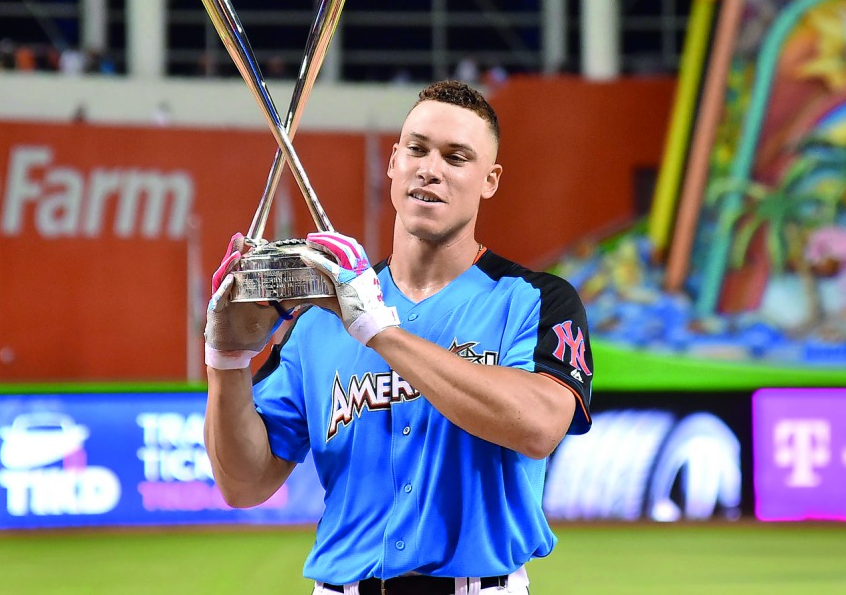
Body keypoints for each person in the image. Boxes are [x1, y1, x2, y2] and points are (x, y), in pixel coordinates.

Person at [203, 79, 593, 595]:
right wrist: (226, 360)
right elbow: (244, 483)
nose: (430, 168)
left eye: (457, 157)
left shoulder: (536, 300)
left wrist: (379, 331)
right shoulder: (317, 322)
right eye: (417, 149)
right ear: (393, 162)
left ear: (489, 180)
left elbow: (539, 427)